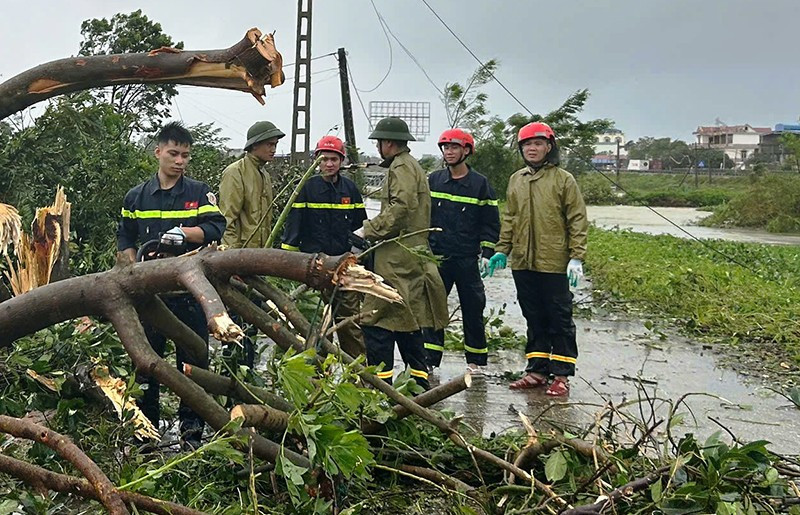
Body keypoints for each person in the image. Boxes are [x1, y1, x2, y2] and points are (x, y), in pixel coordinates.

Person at [117, 121, 226, 447]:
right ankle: (146, 434)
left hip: (189, 294)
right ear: (158, 152)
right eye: (174, 154)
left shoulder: (197, 192)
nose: (180, 161)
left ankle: (191, 435)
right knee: (147, 364)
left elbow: (216, 226)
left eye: (185, 156)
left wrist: (187, 234)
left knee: (192, 365)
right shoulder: (137, 197)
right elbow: (125, 235)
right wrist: (132, 263)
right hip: (151, 298)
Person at [486, 122, 588, 397]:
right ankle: (537, 370)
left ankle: (562, 374)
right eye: (527, 144)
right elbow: (510, 218)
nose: (532, 149)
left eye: (538, 144)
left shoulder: (563, 179)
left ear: (549, 147)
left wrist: (576, 257)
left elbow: (577, 219)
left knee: (559, 317)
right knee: (533, 315)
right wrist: (501, 250)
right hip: (523, 261)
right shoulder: (516, 179)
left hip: (553, 261)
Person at [356, 117, 448, 390]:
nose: (378, 148)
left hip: (397, 256)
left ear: (388, 142)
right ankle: (419, 385)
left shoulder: (401, 167)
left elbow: (400, 208)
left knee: (376, 320)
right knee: (407, 322)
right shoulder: (409, 166)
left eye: (379, 143)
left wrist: (368, 230)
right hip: (406, 254)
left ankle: (380, 390)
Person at [280, 136, 368, 357]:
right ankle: (317, 374)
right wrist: (286, 268)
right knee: (317, 326)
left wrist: (360, 260)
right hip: (313, 268)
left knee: (350, 324)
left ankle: (357, 374)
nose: (329, 164)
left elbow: (360, 228)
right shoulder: (306, 188)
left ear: (341, 161)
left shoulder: (350, 189)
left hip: (345, 267)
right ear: (316, 161)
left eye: (334, 159)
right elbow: (293, 228)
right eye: (324, 159)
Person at [422, 128, 500, 375]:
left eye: (454, 147)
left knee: (473, 308)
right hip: (438, 257)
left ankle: (475, 362)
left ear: (467, 151)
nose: (449, 152)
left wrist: (487, 253)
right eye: (445, 147)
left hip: (467, 259)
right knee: (433, 309)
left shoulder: (480, 184)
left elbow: (490, 222)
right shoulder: (433, 180)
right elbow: (421, 216)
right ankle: (430, 360)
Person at [218, 120, 285, 368]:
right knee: (235, 324)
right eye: (269, 144)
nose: (273, 149)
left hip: (257, 262)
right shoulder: (235, 172)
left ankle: (246, 372)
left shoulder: (263, 175)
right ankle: (232, 376)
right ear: (254, 145)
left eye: (275, 144)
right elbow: (228, 220)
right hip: (239, 264)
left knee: (252, 324)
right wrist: (232, 263)